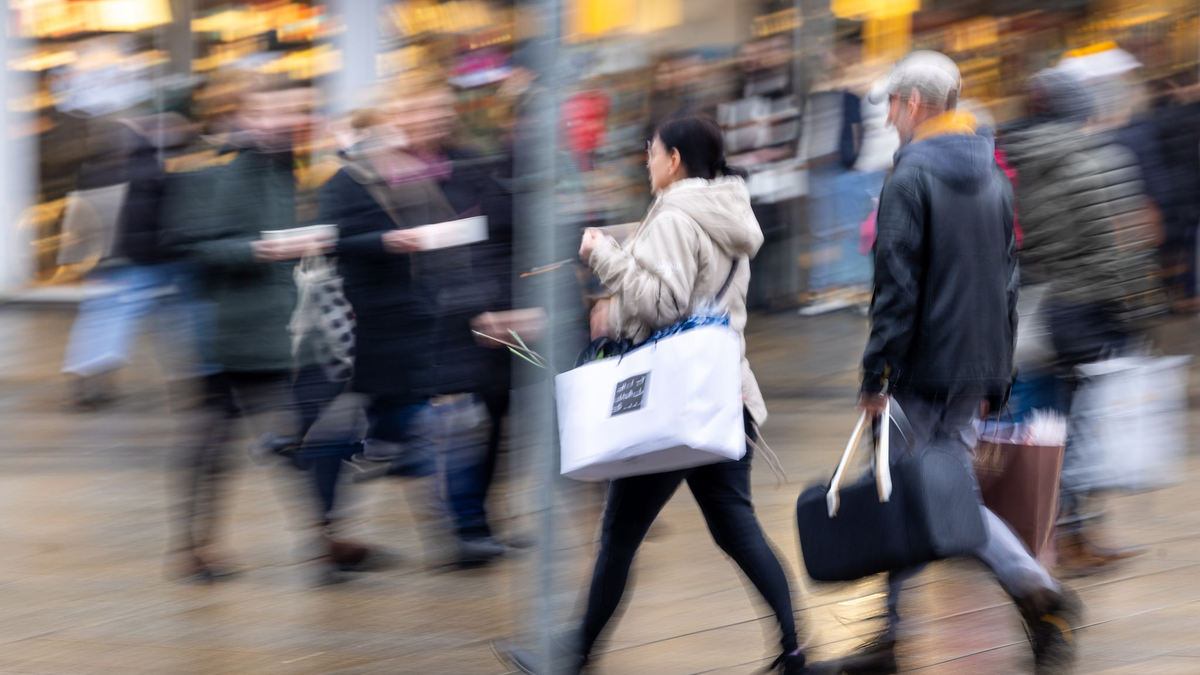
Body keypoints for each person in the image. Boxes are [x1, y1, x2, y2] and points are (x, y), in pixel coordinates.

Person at [495, 115, 828, 675]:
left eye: (651, 152)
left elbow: (665, 304)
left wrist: (603, 256)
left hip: (672, 401)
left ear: (674, 160)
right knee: (736, 528)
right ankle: (794, 652)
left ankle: (571, 659)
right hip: (721, 393)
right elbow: (693, 295)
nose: (646, 161)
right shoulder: (724, 212)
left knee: (620, 535)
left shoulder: (675, 214)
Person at [848, 52, 1080, 675]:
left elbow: (896, 289)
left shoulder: (909, 178)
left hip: (919, 370)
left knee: (912, 493)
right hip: (973, 365)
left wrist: (877, 374)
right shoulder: (993, 176)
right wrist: (998, 370)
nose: (889, 118)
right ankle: (897, 633)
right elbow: (1008, 282)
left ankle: (1031, 592)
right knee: (932, 494)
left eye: (892, 105)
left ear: (913, 104)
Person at [1002, 68, 1164, 575]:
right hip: (1091, 310)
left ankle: (1047, 533)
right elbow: (1120, 248)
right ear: (1081, 111)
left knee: (1047, 422)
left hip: (1040, 308)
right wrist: (1139, 312)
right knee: (1088, 426)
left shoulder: (1015, 161)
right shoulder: (1101, 159)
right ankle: (1075, 538)